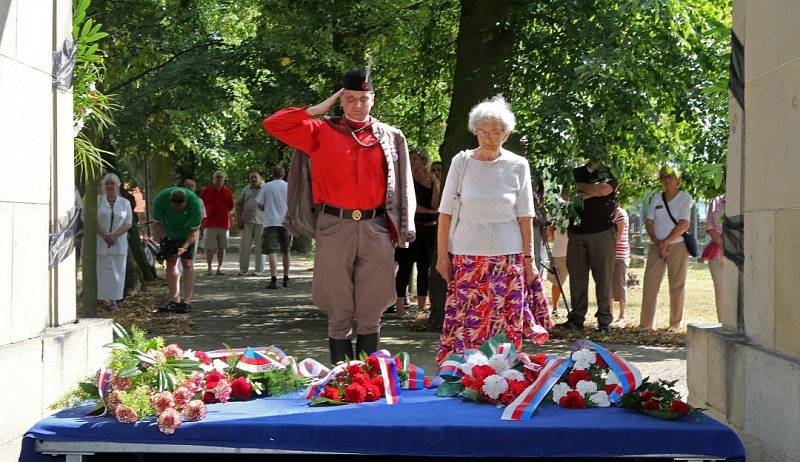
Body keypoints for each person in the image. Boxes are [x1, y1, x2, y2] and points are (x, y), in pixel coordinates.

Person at [262, 69, 416, 363]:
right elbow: (274, 124)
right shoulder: (320, 131)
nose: (357, 105)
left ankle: (370, 376)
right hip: (334, 225)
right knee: (337, 304)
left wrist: (403, 229)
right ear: (340, 99)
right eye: (349, 99)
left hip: (376, 227)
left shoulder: (390, 136)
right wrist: (317, 109)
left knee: (373, 306)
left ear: (373, 100)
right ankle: (341, 377)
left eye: (363, 99)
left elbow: (404, 184)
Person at [435, 95, 551, 363]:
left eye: (495, 132)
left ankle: (505, 377)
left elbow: (525, 216)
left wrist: (529, 260)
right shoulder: (460, 162)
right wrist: (442, 258)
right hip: (466, 257)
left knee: (504, 321)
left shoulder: (518, 165)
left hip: (508, 258)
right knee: (467, 321)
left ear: (506, 134)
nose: (488, 137)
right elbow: (445, 214)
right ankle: (463, 374)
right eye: (482, 131)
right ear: (475, 131)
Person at [557, 160, 618, 333]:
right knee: (577, 277)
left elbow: (604, 190)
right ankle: (576, 319)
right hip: (576, 233)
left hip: (603, 232)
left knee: (604, 277)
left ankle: (604, 320)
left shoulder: (609, 171)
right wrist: (593, 191)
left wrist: (581, 190)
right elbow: (566, 194)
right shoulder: (575, 172)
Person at [639, 165, 693, 331]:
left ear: (678, 180)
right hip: (656, 246)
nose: (667, 179)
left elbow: (684, 223)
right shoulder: (656, 197)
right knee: (650, 284)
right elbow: (649, 222)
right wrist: (657, 242)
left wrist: (667, 241)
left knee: (677, 284)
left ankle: (675, 324)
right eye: (664, 176)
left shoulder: (685, 198)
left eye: (671, 176)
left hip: (677, 245)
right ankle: (646, 324)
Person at [393, 148, 440, 317]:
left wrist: (436, 183)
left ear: (423, 160)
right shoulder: (407, 180)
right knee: (405, 267)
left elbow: (435, 205)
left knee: (424, 268)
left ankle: (421, 308)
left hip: (429, 230)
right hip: (411, 227)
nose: (412, 161)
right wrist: (428, 212)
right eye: (411, 158)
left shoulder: (431, 179)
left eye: (416, 158)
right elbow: (408, 205)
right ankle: (399, 307)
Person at [152, 186, 203, 313]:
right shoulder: (160, 200)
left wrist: (184, 247)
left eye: (181, 208)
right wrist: (165, 238)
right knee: (171, 262)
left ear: (186, 202)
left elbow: (195, 231)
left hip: (187, 233)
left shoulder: (195, 203)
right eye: (175, 207)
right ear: (170, 202)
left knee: (187, 263)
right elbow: (156, 223)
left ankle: (186, 301)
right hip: (168, 232)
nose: (177, 210)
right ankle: (174, 299)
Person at [95, 173, 133, 310]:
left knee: (118, 272)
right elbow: (88, 219)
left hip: (119, 242)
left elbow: (128, 223)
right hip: (100, 240)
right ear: (103, 186)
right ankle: (103, 300)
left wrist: (114, 235)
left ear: (118, 186)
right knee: (102, 271)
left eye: (113, 183)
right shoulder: (98, 201)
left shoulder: (125, 203)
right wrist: (105, 235)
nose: (110, 186)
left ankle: (115, 300)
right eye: (107, 183)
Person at [256, 165, 291, 289]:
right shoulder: (288, 187)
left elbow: (259, 204)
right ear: (284, 174)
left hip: (270, 222)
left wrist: (268, 209)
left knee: (272, 251)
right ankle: (286, 278)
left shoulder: (267, 186)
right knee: (286, 251)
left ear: (272, 173)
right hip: (286, 222)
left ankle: (273, 279)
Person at [199, 171, 234, 276]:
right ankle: (209, 269)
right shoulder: (206, 191)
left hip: (223, 224)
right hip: (209, 224)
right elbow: (200, 205)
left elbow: (231, 206)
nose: (219, 179)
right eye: (217, 177)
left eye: (221, 177)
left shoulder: (228, 191)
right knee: (209, 248)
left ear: (224, 179)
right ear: (213, 179)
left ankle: (220, 268)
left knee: (222, 248)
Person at [236, 172, 265, 276]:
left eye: (255, 177)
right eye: (251, 177)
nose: (253, 179)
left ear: (260, 178)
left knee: (260, 246)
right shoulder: (246, 189)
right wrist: (238, 220)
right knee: (244, 246)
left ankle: (259, 270)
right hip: (247, 221)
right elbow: (239, 204)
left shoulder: (264, 188)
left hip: (261, 221)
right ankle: (243, 269)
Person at [705, 194, 726, 321]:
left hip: (740, 254)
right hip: (718, 253)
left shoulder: (747, 200)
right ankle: (723, 323)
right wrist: (722, 243)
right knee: (721, 291)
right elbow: (710, 227)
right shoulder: (716, 201)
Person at [612, 206, 630, 325]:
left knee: (620, 284)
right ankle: (610, 314)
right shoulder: (608, 213)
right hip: (609, 254)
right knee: (608, 285)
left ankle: (622, 315)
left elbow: (619, 236)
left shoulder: (621, 214)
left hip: (619, 255)